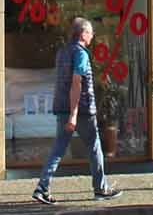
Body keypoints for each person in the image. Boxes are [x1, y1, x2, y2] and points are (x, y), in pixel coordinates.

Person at [32, 16, 117, 205]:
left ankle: (42, 188)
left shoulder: (62, 52)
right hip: (82, 110)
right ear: (83, 33)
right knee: (95, 148)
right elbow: (76, 83)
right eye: (91, 32)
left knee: (58, 149)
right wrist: (74, 113)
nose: (92, 36)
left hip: (62, 107)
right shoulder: (81, 54)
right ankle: (100, 189)